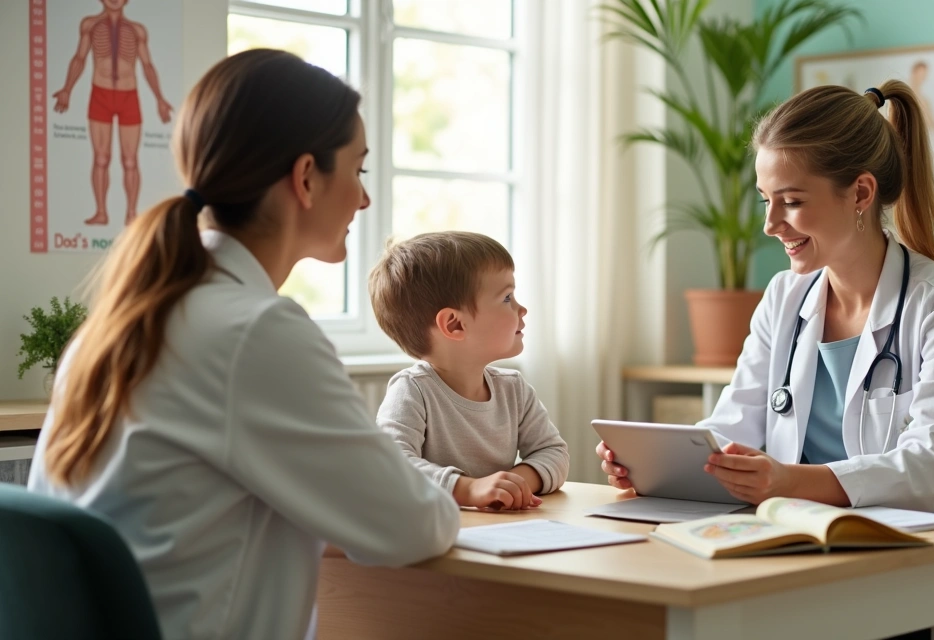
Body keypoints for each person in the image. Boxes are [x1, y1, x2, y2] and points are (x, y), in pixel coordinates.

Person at [27, 49, 460, 639]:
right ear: (306, 177)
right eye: (358, 170)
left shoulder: (125, 319)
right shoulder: (256, 332)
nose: (363, 199)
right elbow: (416, 525)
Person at [596, 81, 934, 639]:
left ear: (861, 194)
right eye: (766, 200)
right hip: (797, 555)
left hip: (919, 568)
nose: (771, 224)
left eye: (792, 201)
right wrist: (662, 464)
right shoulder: (784, 296)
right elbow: (734, 425)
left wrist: (788, 480)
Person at [370, 231, 570, 511]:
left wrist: (511, 483)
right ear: (454, 325)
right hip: (437, 534)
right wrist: (469, 489)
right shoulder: (412, 390)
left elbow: (553, 452)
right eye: (507, 298)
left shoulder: (513, 389)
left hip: (499, 530)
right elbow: (390, 465)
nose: (521, 309)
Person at [52, 0, 175, 226]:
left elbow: (147, 65)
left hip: (129, 96)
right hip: (100, 94)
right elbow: (79, 58)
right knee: (101, 157)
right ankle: (101, 212)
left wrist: (159, 99)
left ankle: (131, 214)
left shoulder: (137, 30)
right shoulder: (89, 25)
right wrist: (67, 89)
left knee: (130, 160)